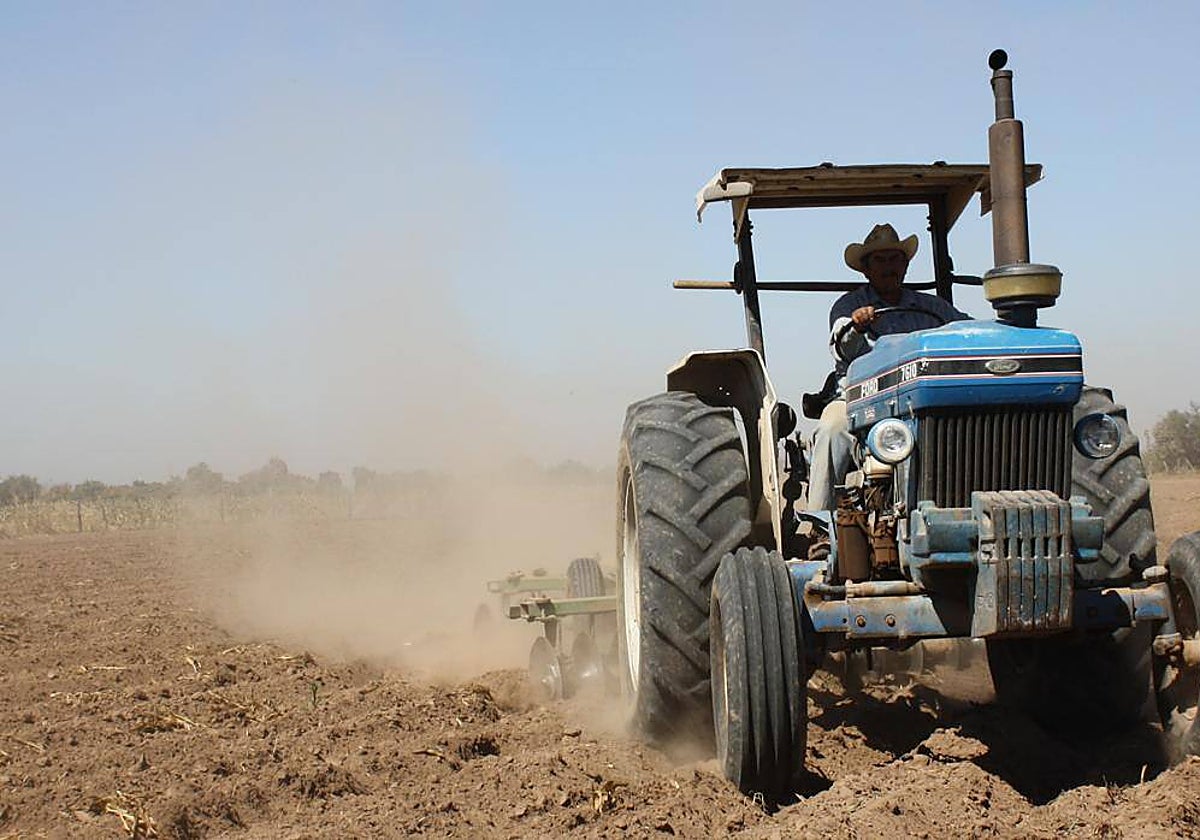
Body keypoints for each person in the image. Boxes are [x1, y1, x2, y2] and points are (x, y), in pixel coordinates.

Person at [807, 223, 969, 511]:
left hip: (921, 401)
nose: (889, 267)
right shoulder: (848, 306)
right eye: (880, 261)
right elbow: (843, 346)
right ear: (866, 270)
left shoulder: (933, 308)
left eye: (895, 259)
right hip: (860, 400)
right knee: (832, 428)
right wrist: (856, 326)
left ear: (905, 266)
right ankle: (820, 525)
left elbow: (966, 330)